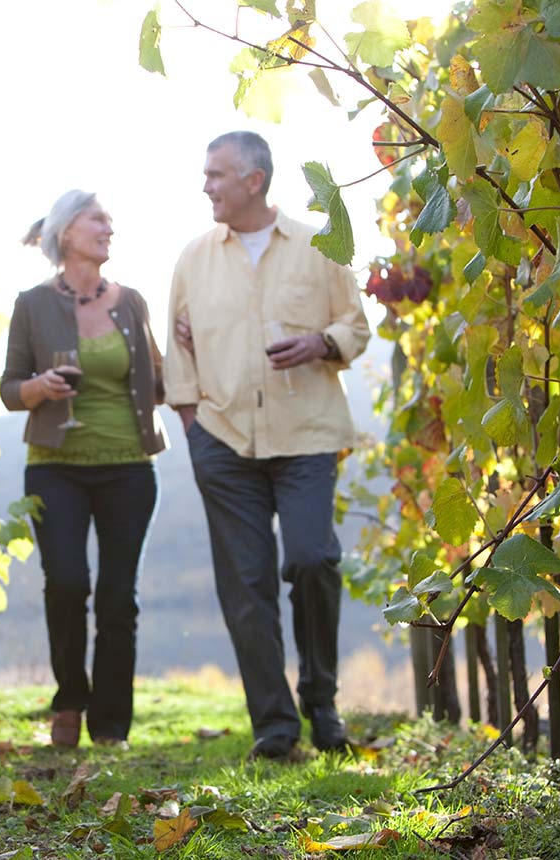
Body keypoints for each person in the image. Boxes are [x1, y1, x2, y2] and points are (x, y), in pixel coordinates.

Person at [165, 131, 371, 760]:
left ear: (254, 180)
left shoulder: (320, 246)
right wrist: (193, 427)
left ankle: (321, 701)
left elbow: (356, 327)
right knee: (246, 585)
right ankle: (275, 728)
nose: (206, 186)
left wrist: (321, 343)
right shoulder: (193, 258)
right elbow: (179, 352)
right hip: (222, 443)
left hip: (306, 435)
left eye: (217, 174)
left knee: (313, 561)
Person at [0, 190, 167, 748]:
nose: (109, 227)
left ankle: (111, 724)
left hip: (128, 467)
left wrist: (188, 349)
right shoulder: (31, 303)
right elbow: (8, 389)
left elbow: (159, 381)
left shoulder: (133, 301)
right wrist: (38, 388)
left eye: (109, 219)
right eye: (98, 218)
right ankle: (70, 698)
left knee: (120, 597)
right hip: (55, 465)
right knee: (68, 584)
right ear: (66, 232)